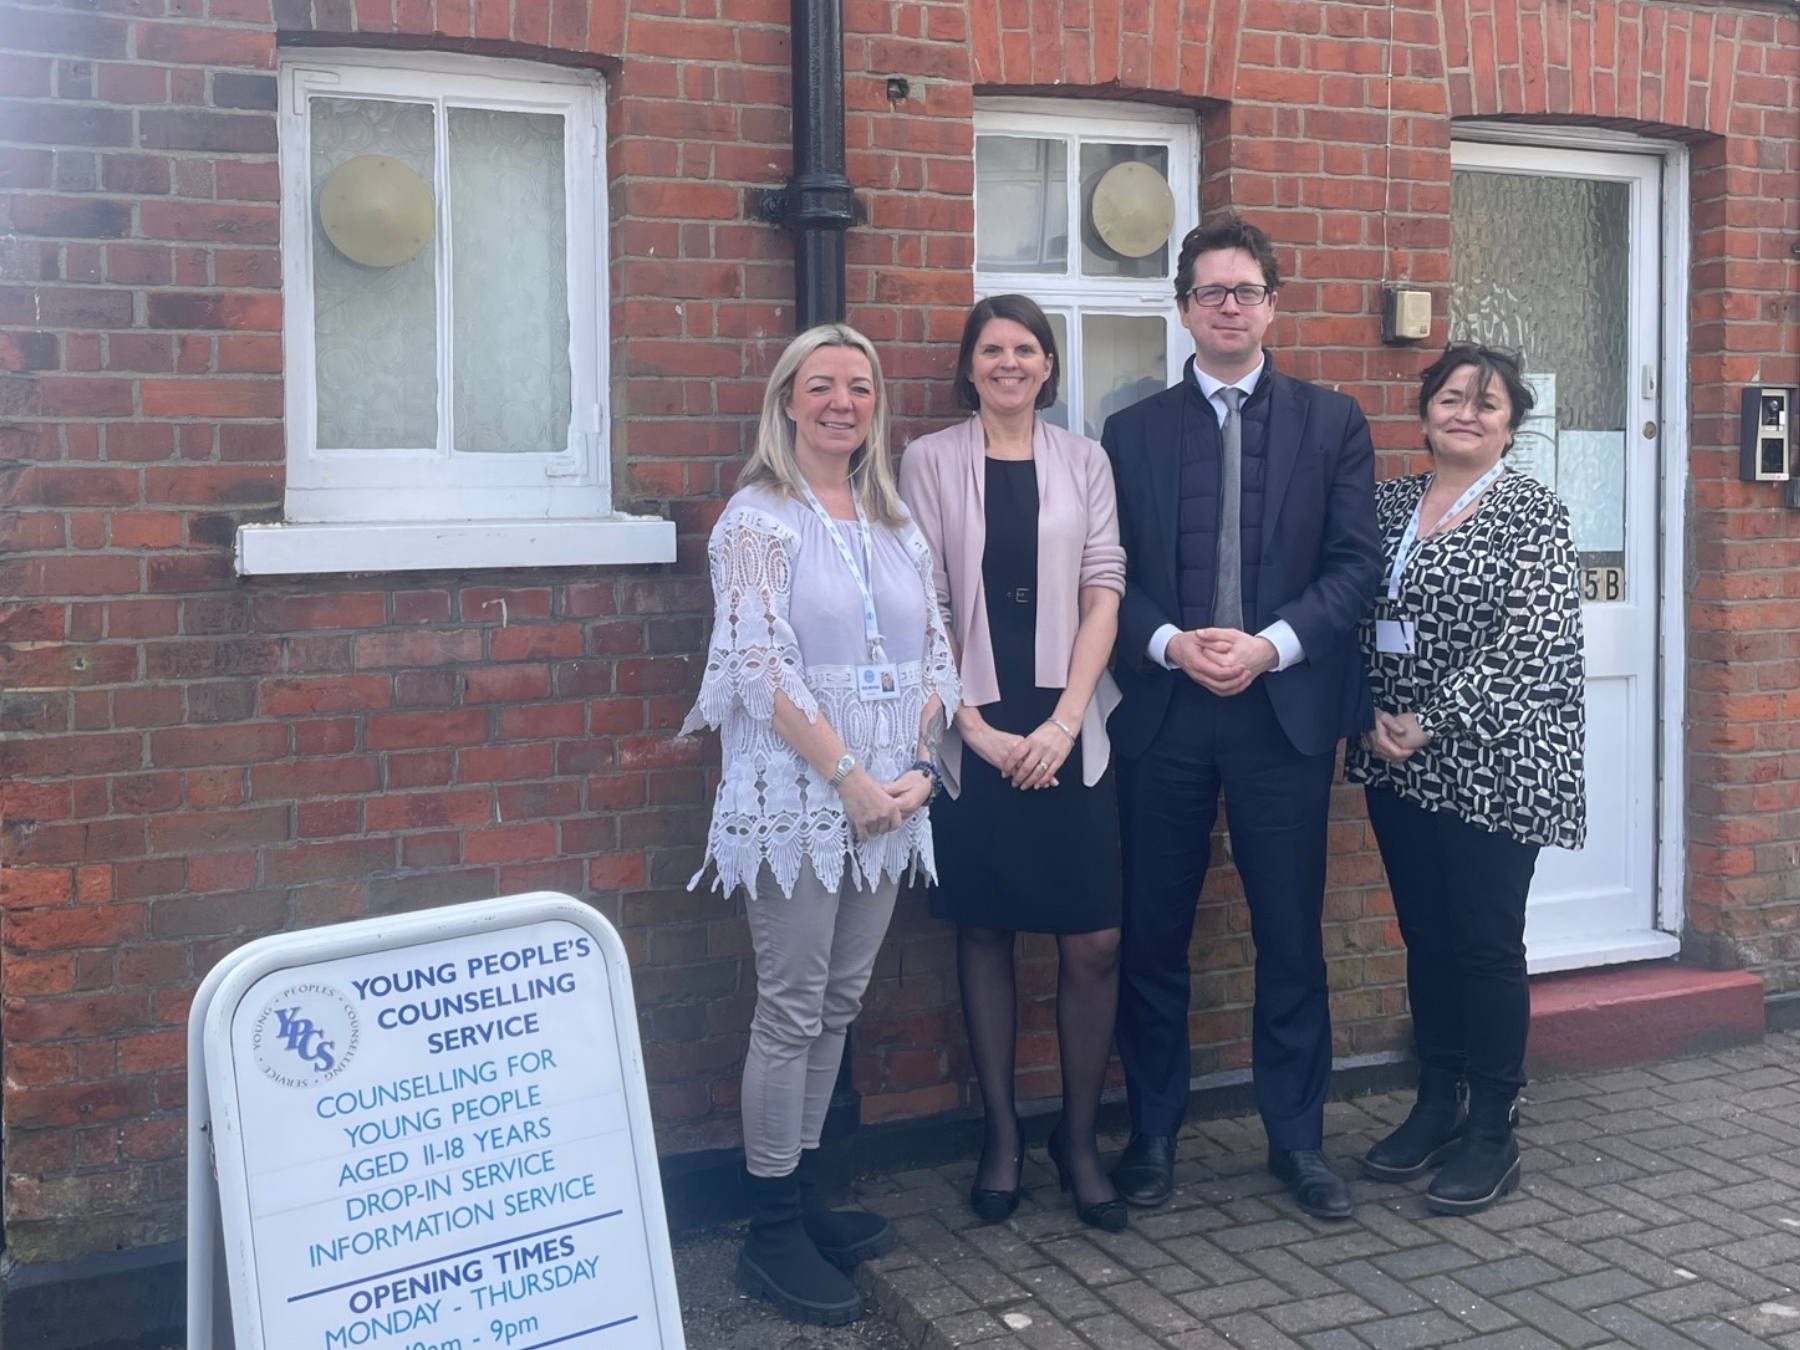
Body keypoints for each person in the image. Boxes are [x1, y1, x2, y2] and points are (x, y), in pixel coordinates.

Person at [1101, 215, 1382, 1219]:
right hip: (1166, 713)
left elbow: (1356, 566)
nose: (1230, 306)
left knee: (1291, 936)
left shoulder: (1331, 422)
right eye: (1211, 291)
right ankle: (1154, 1136)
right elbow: (1108, 575)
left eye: (1247, 291)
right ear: (1183, 308)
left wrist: (1271, 646)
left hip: (1283, 718)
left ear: (1274, 304)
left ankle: (1297, 1142)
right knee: (1154, 936)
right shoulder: (1130, 430)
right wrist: (1172, 640)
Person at [682, 323, 961, 1324]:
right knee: (793, 1005)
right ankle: (769, 1231)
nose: (842, 401)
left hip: (892, 797)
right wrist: (847, 775)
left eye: (859, 387)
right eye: (822, 386)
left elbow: (936, 653)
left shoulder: (896, 520)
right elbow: (760, 672)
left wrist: (921, 765)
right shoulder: (756, 522)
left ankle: (801, 1198)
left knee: (841, 1002)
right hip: (802, 798)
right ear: (789, 402)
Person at [900, 295, 1129, 1232]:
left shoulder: (1087, 460)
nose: (1009, 363)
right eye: (992, 349)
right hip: (973, 723)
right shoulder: (927, 460)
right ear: (970, 366)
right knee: (985, 930)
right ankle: (1001, 1135)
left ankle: (1077, 1141)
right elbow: (920, 602)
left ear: (1047, 367)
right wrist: (977, 728)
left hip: (1070, 723)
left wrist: (1066, 723)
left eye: (1026, 349)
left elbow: (1105, 588)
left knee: (1095, 940)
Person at [1345, 342, 1585, 1215]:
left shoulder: (1534, 513)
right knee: (1427, 939)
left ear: (1511, 423)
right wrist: (1366, 710)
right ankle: (1436, 1103)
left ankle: (1494, 1127)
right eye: (1451, 398)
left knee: (1485, 944)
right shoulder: (1388, 505)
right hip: (1395, 761)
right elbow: (1352, 614)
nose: (1466, 414)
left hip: (1497, 760)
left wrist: (1431, 720)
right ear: (1424, 412)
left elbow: (1528, 641)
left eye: (1487, 404)